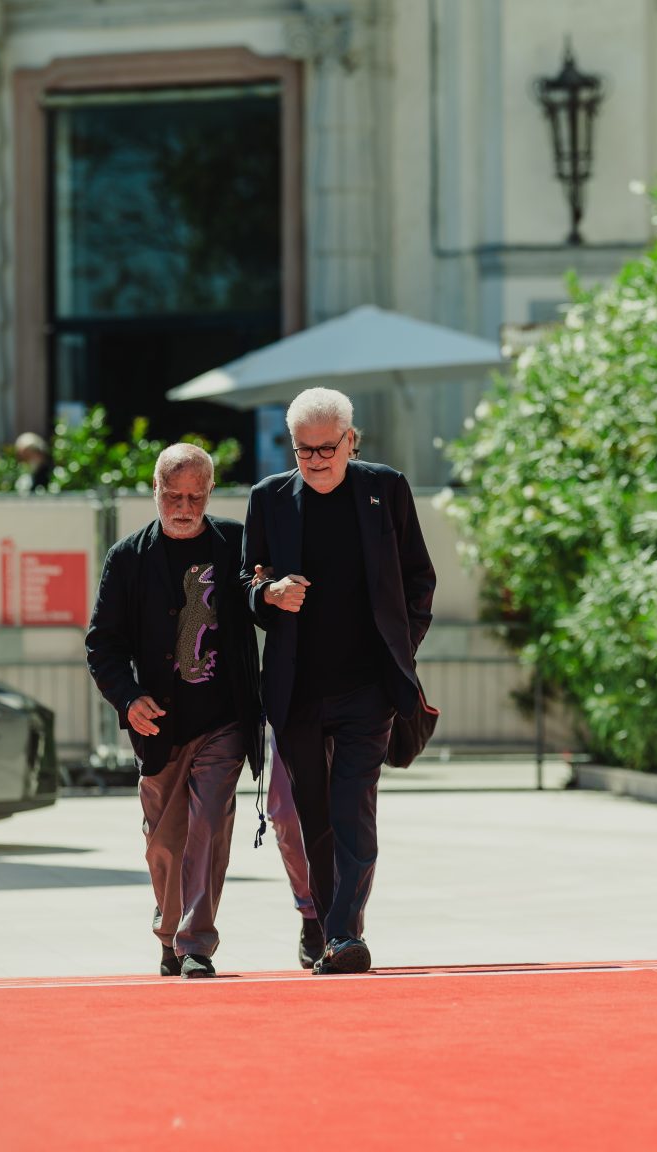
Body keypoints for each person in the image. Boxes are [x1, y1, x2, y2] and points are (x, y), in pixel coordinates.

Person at [242, 387, 436, 974]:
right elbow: (244, 588)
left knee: (355, 808)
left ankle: (344, 936)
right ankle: (325, 925)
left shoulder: (387, 489)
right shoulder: (269, 499)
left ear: (351, 440)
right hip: (297, 690)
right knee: (311, 813)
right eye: (304, 450)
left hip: (368, 690)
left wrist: (401, 650)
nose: (317, 460)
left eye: (328, 448)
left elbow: (418, 581)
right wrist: (268, 595)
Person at [86, 443, 264, 979]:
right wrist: (128, 697)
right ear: (156, 491)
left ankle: (195, 944)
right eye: (173, 495)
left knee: (209, 824)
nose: (183, 507)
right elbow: (103, 644)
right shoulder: (128, 557)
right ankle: (169, 929)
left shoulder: (234, 542)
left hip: (223, 718)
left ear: (209, 493)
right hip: (159, 723)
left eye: (194, 496)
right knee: (164, 842)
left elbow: (261, 601)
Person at [267, 732, 323, 968]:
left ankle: (345, 921)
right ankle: (310, 909)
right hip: (288, 712)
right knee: (285, 816)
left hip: (346, 708)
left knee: (347, 815)